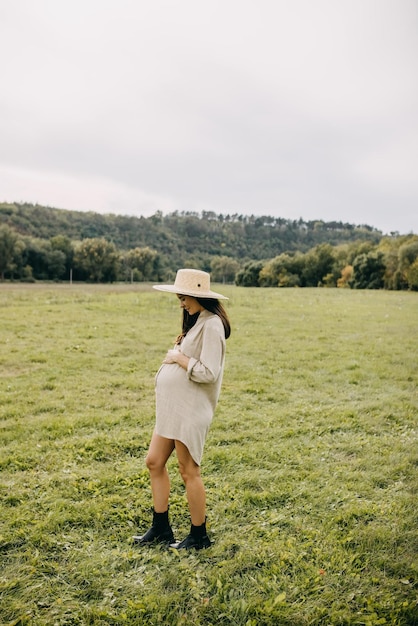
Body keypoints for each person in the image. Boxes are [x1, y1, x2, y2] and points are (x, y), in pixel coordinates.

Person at [133, 268, 231, 550]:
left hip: (189, 409)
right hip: (172, 408)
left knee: (189, 471)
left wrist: (178, 358)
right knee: (154, 461)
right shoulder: (197, 322)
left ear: (198, 296)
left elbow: (209, 372)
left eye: (183, 297)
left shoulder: (212, 325)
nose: (181, 303)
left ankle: (198, 536)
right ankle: (161, 527)